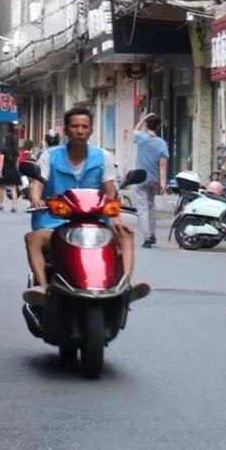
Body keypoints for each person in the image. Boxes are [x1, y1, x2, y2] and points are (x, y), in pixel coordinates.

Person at [22, 106, 150, 305]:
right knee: (33, 239)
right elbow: (37, 184)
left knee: (126, 234)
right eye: (75, 126)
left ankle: (125, 286)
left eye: (84, 127)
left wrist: (115, 218)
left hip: (96, 223)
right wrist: (36, 199)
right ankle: (43, 288)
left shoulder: (103, 157)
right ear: (66, 130)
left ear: (91, 130)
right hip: (56, 223)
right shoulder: (50, 156)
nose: (80, 131)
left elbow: (110, 192)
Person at [132, 112, 169, 248]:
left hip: (139, 179)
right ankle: (152, 233)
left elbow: (135, 130)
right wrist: (163, 183)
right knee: (151, 206)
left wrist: (143, 118)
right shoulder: (162, 143)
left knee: (142, 209)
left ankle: (147, 236)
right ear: (158, 127)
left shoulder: (141, 137)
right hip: (153, 179)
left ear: (147, 125)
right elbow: (162, 164)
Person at [0, 125, 21, 212]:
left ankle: (1, 204)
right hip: (13, 171)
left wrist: (0, 171)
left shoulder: (3, 150)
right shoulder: (15, 151)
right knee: (13, 188)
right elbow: (17, 163)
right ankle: (14, 206)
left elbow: (1, 161)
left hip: (5, 170)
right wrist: (17, 171)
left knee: (1, 187)